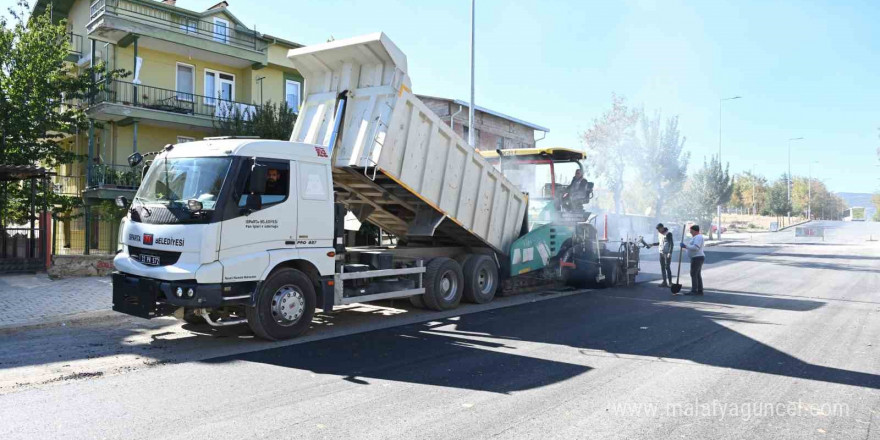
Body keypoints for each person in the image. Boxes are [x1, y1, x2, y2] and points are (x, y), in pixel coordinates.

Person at [679, 224, 705, 295]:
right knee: (697, 274)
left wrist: (686, 246)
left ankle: (694, 291)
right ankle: (699, 290)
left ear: (695, 231)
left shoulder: (698, 237)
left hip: (697, 258)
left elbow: (696, 248)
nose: (690, 232)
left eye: (691, 231)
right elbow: (691, 249)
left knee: (693, 274)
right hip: (697, 257)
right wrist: (684, 248)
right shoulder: (696, 237)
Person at [647, 223, 674, 288]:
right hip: (661, 253)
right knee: (662, 267)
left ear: (662, 228)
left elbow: (671, 244)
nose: (658, 231)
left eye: (659, 229)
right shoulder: (659, 234)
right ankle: (664, 282)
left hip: (667, 253)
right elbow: (660, 243)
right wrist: (652, 244)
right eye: (657, 230)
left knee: (667, 267)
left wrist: (670, 253)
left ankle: (670, 282)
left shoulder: (668, 234)